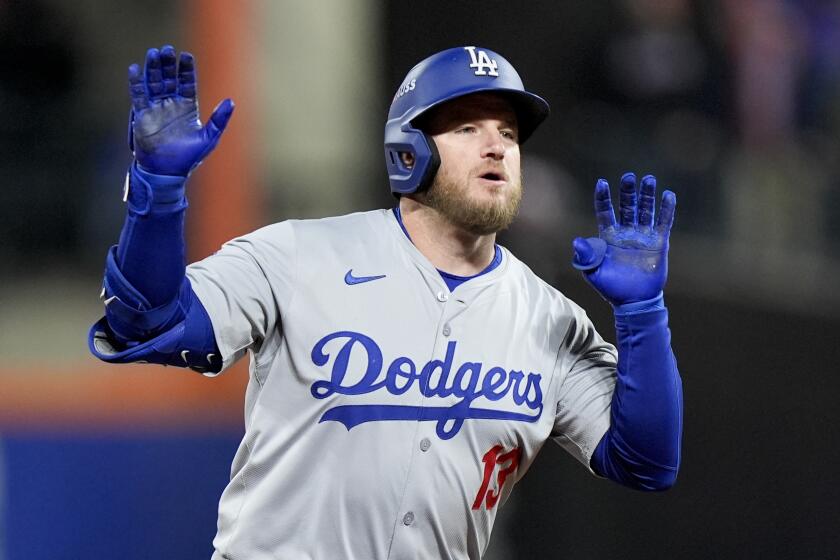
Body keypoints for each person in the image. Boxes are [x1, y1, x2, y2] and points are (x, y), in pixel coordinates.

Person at [89, 45, 682, 560]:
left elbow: (646, 461)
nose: (496, 147)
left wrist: (642, 315)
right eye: (468, 129)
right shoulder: (300, 254)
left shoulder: (550, 319)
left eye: (507, 132)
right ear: (409, 152)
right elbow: (149, 320)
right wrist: (158, 191)